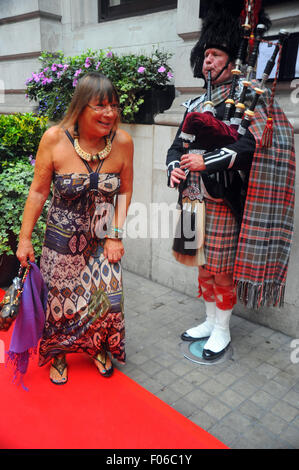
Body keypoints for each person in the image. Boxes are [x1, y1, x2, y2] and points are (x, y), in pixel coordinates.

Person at [166, 1, 295, 361]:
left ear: (232, 60)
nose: (208, 60)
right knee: (202, 264)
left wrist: (205, 161)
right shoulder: (194, 105)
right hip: (191, 198)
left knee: (221, 269)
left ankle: (222, 329)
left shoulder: (250, 98)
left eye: (216, 53)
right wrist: (174, 168)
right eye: (205, 54)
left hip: (222, 198)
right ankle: (209, 322)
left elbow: (251, 144)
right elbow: (176, 146)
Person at [17, 72, 134, 384]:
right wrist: (25, 239)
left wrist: (116, 235)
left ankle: (97, 345)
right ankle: (58, 352)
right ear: (81, 107)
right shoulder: (55, 138)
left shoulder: (122, 142)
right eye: (100, 106)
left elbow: (125, 191)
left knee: (105, 300)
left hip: (102, 239)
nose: (110, 113)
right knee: (60, 302)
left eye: (114, 106)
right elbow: (39, 191)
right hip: (61, 241)